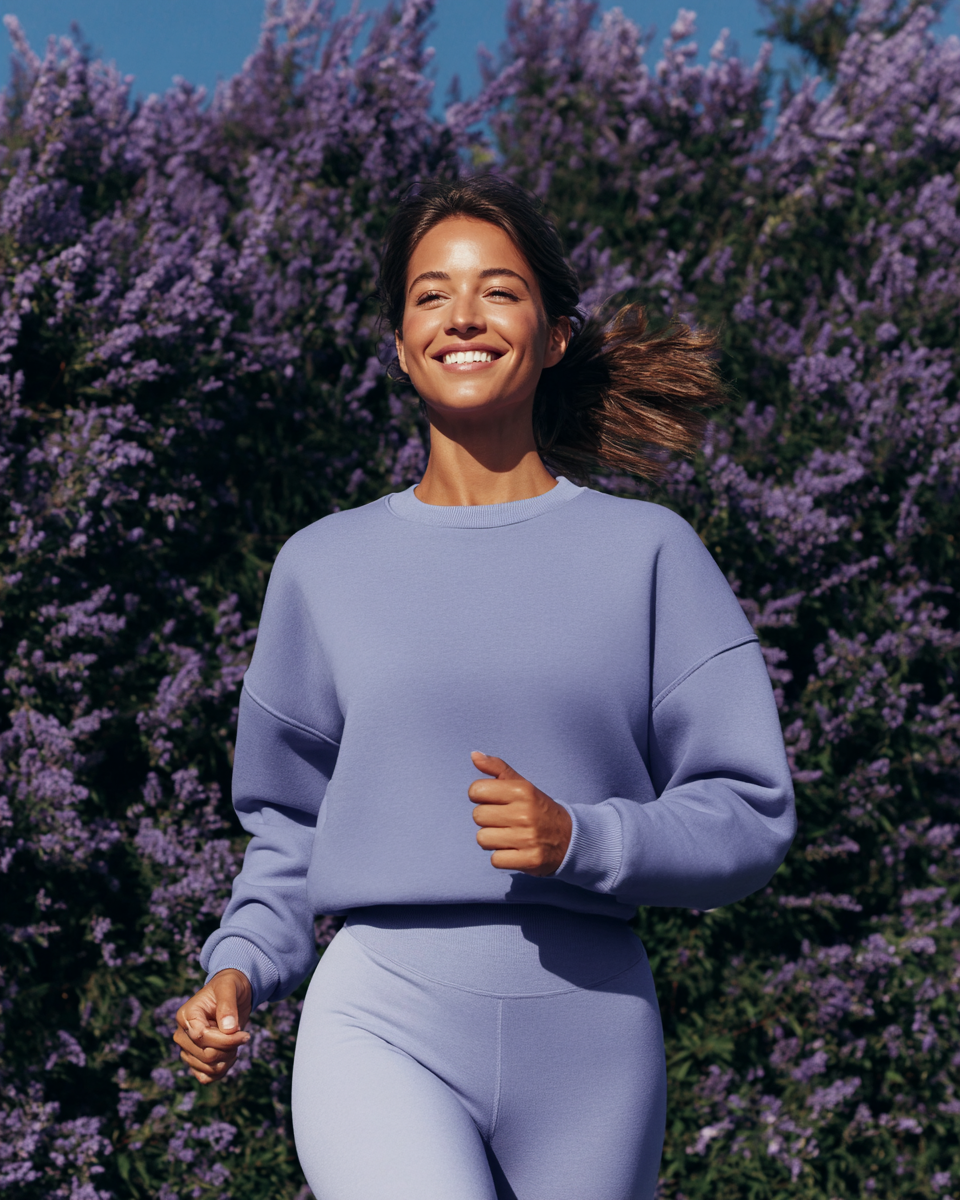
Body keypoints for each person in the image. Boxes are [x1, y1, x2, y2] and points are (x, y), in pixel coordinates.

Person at [172, 175, 796, 1200]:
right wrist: (235, 967)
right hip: (379, 1015)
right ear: (402, 343)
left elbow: (751, 814)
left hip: (594, 1035)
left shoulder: (649, 554)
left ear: (552, 335)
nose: (463, 316)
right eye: (431, 296)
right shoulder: (323, 566)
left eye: (498, 291)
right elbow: (288, 828)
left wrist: (584, 839)